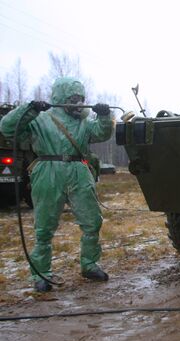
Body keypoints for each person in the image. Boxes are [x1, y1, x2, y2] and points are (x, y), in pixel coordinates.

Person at [0, 77, 113, 292]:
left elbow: (101, 133)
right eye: (73, 99)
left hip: (79, 171)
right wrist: (29, 109)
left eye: (81, 99)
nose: (78, 103)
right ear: (61, 98)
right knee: (44, 227)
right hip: (47, 170)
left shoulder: (84, 121)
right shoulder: (41, 119)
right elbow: (6, 127)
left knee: (92, 221)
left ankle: (89, 264)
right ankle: (41, 273)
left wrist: (105, 115)